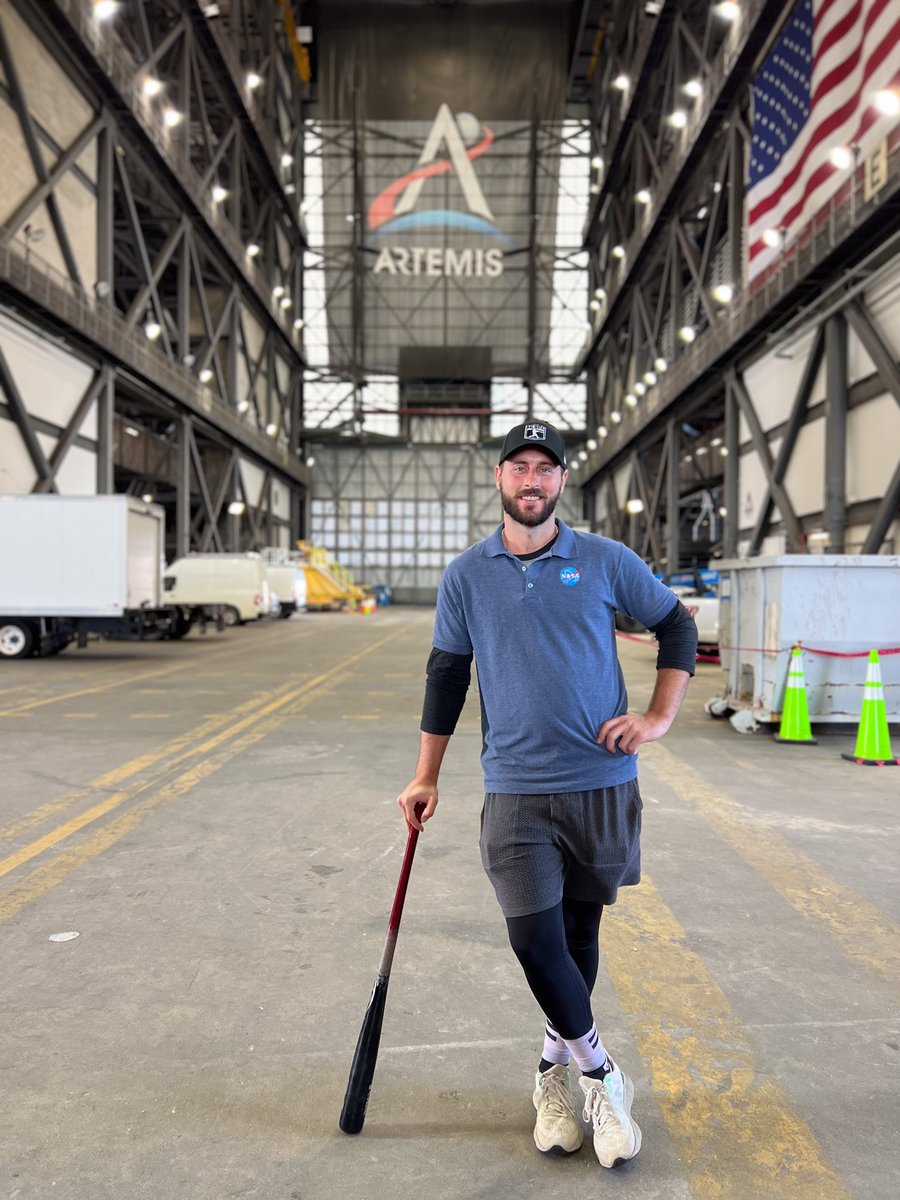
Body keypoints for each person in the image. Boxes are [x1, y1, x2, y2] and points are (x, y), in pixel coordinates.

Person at [397, 419, 698, 1171]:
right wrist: (426, 772)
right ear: (498, 478)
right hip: (516, 793)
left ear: (562, 481)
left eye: (545, 469)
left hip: (600, 783)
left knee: (578, 940)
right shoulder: (467, 574)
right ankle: (601, 1073)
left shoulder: (603, 560)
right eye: (518, 468)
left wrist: (658, 718)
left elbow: (675, 625)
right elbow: (446, 677)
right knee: (535, 941)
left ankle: (551, 1073)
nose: (531, 481)